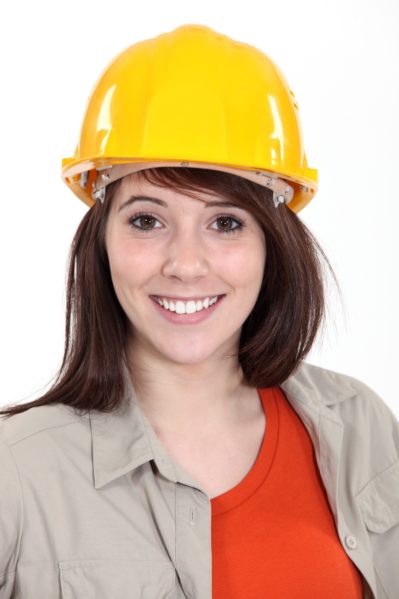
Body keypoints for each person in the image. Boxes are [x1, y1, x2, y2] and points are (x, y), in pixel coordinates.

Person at [0, 23, 397, 599]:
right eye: (147, 220)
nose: (186, 265)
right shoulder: (16, 472)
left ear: (272, 245)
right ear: (101, 240)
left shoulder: (362, 426)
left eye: (226, 222)